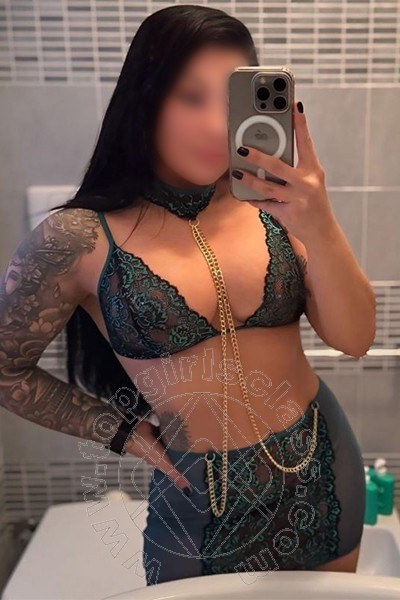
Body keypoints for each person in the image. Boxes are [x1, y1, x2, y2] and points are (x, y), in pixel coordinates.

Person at [0, 4, 375, 588]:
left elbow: (355, 339)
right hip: (197, 498)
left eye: (229, 103)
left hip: (322, 467)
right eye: (191, 97)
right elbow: (5, 369)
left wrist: (319, 220)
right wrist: (122, 432)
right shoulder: (77, 238)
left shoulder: (275, 206)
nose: (214, 126)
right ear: (146, 100)